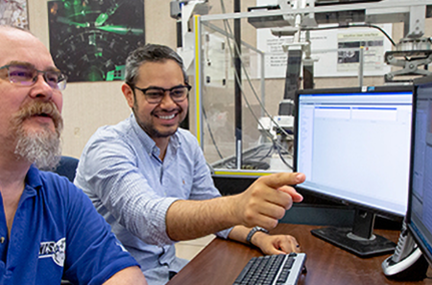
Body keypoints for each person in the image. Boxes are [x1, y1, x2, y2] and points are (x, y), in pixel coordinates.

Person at [74, 43, 306, 285]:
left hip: (170, 271)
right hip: (119, 278)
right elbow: (146, 220)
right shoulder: (107, 147)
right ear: (129, 94)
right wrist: (237, 206)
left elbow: (211, 209)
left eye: (177, 92)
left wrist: (257, 237)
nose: (168, 104)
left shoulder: (185, 143)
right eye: (154, 94)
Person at [0, 25, 148, 285]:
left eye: (52, 78)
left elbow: (125, 275)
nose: (45, 90)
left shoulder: (60, 196)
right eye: (21, 74)